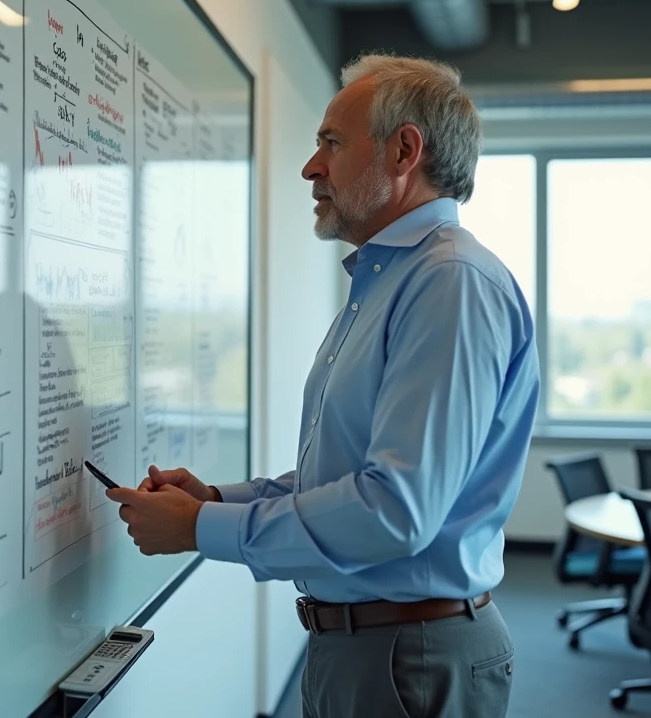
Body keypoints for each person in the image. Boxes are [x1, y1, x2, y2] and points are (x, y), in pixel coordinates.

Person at [106, 53, 540, 718]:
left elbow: (393, 510)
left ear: (404, 150)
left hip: (407, 655)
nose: (311, 167)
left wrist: (203, 527)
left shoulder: (450, 283)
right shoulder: (388, 281)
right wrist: (217, 497)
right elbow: (345, 477)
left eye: (330, 143)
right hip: (372, 646)